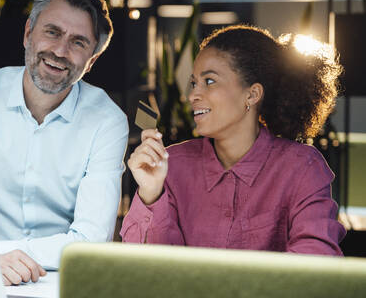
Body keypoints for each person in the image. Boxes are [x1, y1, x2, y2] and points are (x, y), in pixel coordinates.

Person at [0, 0, 129, 285]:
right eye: (52, 32)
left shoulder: (107, 121)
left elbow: (91, 240)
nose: (60, 51)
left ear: (92, 61)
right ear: (28, 33)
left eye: (78, 42)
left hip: (63, 281)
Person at [120, 25, 346, 255]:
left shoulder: (302, 168)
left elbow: (315, 260)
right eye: (194, 83)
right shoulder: (171, 164)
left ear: (252, 94)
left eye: (209, 81)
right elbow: (150, 268)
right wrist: (151, 192)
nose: (192, 96)